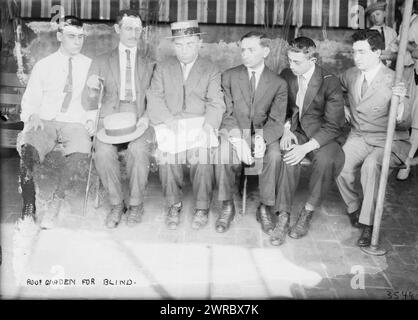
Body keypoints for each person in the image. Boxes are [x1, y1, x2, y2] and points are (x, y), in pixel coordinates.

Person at [146, 20, 225, 231]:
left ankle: (202, 207)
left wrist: (209, 126)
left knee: (203, 153)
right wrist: (168, 119)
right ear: (173, 46)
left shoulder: (211, 69)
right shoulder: (163, 67)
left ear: (199, 42)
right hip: (170, 123)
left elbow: (216, 102)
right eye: (179, 45)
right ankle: (174, 204)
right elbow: (154, 97)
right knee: (167, 155)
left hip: (199, 124)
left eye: (189, 44)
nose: (184, 50)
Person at [18, 16, 95, 228]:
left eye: (81, 37)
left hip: (74, 122)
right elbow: (31, 97)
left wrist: (90, 120)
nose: (78, 41)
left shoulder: (90, 66)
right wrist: (32, 114)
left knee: (82, 150)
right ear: (60, 36)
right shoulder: (44, 65)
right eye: (72, 36)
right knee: (27, 151)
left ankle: (57, 200)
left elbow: (95, 100)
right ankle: (29, 205)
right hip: (46, 120)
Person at [337, 29, 411, 247]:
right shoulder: (350, 75)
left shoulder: (394, 80)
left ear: (377, 52)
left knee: (371, 166)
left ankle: (369, 224)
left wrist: (400, 107)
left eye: (362, 52)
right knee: (340, 163)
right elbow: (334, 88)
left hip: (388, 138)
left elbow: (405, 122)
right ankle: (354, 208)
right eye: (354, 52)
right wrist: (343, 107)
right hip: (359, 135)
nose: (356, 57)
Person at [83, 10, 155, 228]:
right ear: (117, 29)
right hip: (110, 121)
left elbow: (156, 98)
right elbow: (88, 103)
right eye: (129, 28)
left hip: (138, 119)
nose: (134, 33)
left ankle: (135, 204)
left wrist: (146, 118)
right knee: (103, 152)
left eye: (138, 29)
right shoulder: (101, 61)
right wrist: (91, 88)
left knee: (139, 150)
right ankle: (116, 204)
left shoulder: (150, 63)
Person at [272, 37, 346, 246]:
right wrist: (286, 131)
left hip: (322, 132)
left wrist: (305, 147)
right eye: (289, 60)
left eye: (297, 62)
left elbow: (334, 125)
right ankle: (283, 216)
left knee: (326, 161)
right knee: (289, 156)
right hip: (296, 129)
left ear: (312, 60)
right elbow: (281, 109)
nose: (291, 66)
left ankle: (307, 212)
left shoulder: (329, 80)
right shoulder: (287, 75)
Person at [215, 31, 287, 234]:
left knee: (273, 156)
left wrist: (262, 138)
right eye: (242, 49)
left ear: (265, 51)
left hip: (264, 132)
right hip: (236, 130)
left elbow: (277, 119)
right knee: (223, 154)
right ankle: (227, 205)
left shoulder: (278, 82)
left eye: (251, 50)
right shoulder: (228, 76)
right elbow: (226, 112)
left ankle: (265, 207)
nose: (244, 54)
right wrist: (238, 140)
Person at [397, 0, 418, 180]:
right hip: (412, 73)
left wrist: (407, 43)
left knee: (416, 122)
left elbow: (417, 52)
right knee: (408, 114)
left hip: (414, 72)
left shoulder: (416, 23)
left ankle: (407, 162)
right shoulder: (406, 23)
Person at [365, 1, 398, 68]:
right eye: (372, 16)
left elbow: (396, 52)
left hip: (391, 68)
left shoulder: (392, 32)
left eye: (377, 14)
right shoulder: (368, 33)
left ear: (385, 14)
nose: (375, 18)